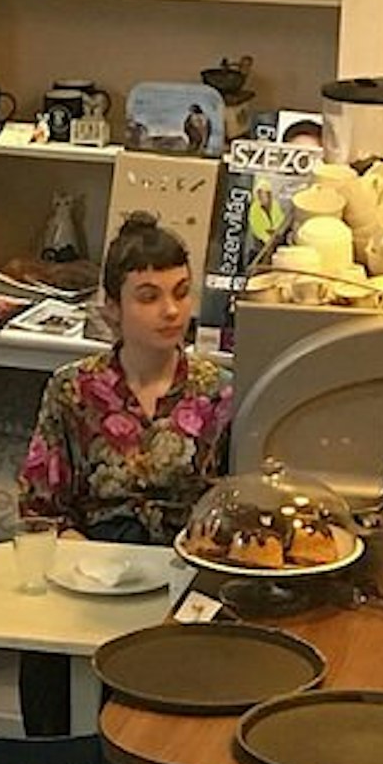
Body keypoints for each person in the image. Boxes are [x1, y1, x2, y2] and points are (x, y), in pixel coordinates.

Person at [19, 215, 234, 544]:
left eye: (181, 293)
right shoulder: (73, 389)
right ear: (113, 308)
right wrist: (83, 560)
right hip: (91, 566)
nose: (172, 311)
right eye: (149, 298)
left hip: (189, 564)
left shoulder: (220, 392)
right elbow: (41, 509)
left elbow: (242, 504)